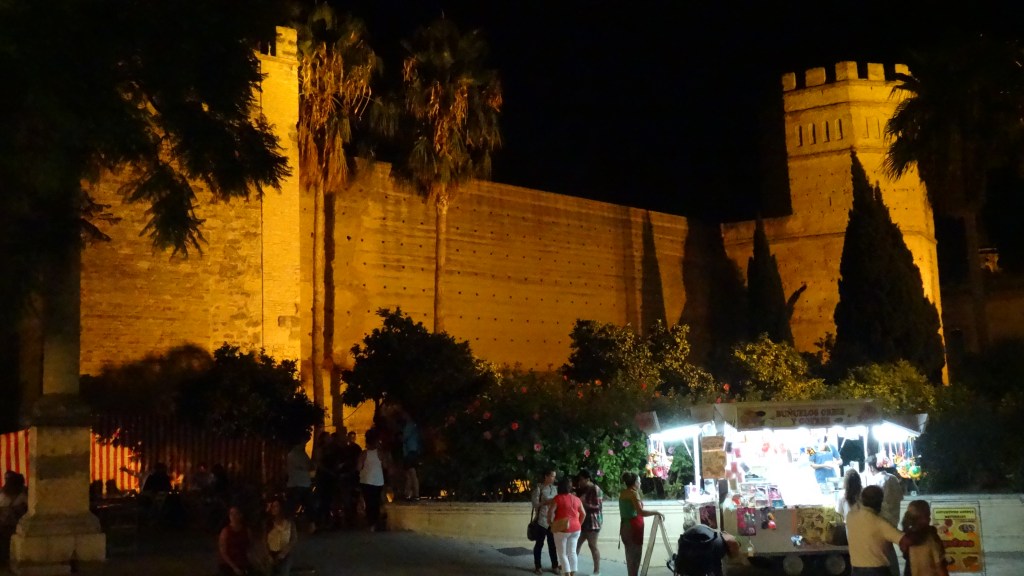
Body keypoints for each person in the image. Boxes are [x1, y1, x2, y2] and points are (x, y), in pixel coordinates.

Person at [847, 485, 905, 576]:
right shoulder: (880, 523)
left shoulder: (850, 517)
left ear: (862, 499)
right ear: (880, 501)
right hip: (878, 571)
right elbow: (904, 541)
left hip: (856, 570)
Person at [619, 471, 664, 576]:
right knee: (635, 557)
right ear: (635, 482)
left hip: (625, 527)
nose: (640, 483)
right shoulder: (633, 494)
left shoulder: (623, 493)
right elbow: (641, 512)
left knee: (629, 557)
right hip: (633, 528)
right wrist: (656, 512)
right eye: (639, 481)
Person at [869, 455, 905, 576]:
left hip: (881, 520)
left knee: (884, 551)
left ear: (870, 467)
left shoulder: (876, 481)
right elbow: (900, 497)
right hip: (894, 518)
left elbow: (871, 503)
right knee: (888, 549)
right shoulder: (893, 478)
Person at [900, 500, 949, 576]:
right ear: (923, 517)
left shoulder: (905, 538)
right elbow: (940, 567)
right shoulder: (931, 537)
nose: (929, 519)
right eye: (928, 515)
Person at [548, 477, 585, 576]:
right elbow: (583, 514)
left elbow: (550, 512)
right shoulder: (576, 499)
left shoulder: (558, 498)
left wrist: (551, 523)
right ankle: (572, 574)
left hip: (562, 528)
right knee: (572, 552)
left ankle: (567, 574)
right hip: (576, 528)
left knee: (562, 554)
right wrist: (578, 524)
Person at [575, 469, 604, 576]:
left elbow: (598, 507)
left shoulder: (595, 489)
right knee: (576, 544)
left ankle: (597, 571)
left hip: (593, 522)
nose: (580, 482)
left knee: (592, 546)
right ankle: (572, 567)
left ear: (588, 479)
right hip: (583, 521)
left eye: (581, 480)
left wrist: (583, 503)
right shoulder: (584, 489)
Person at [531, 469, 559, 575]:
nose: (554, 478)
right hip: (541, 521)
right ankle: (538, 566)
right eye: (552, 476)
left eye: (554, 476)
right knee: (539, 544)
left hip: (552, 521)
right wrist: (546, 502)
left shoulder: (554, 489)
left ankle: (555, 565)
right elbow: (535, 504)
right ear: (546, 476)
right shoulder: (539, 488)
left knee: (553, 545)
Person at [357, 429, 386, 531]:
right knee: (376, 501)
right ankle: (376, 522)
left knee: (369, 503)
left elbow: (358, 467)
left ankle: (371, 524)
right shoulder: (381, 453)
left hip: (366, 481)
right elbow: (385, 465)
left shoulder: (364, 454)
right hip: (378, 481)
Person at [266, 496, 298, 576]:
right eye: (273, 506)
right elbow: (264, 540)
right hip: (271, 553)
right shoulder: (268, 523)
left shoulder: (289, 522)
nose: (274, 509)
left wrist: (284, 552)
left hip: (285, 553)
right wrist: (268, 554)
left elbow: (293, 539)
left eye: (276, 506)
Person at [218, 505, 253, 576]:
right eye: (231, 514)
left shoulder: (247, 531)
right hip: (228, 564)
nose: (233, 516)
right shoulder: (225, 531)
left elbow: (250, 548)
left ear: (241, 515)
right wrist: (234, 567)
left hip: (242, 562)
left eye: (236, 513)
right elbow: (223, 552)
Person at [285, 439, 314, 522]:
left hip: (300, 483)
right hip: (299, 483)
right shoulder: (296, 455)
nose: (304, 445)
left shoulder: (299, 454)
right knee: (303, 506)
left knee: (297, 506)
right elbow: (309, 466)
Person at [399, 415, 421, 500]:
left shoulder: (410, 425)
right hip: (411, 452)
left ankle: (415, 494)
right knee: (409, 474)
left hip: (410, 452)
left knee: (412, 473)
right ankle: (408, 493)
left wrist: (399, 437)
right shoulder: (415, 426)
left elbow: (404, 438)